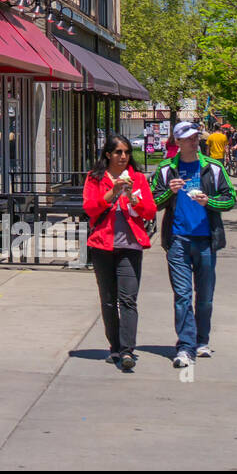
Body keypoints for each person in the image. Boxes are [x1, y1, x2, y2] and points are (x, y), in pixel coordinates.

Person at [151, 120, 237, 368]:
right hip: (177, 240)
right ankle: (185, 346)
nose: (194, 140)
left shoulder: (213, 167)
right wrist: (170, 192)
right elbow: (153, 202)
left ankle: (202, 340)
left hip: (206, 240)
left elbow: (229, 198)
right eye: (188, 138)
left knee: (206, 297)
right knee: (182, 295)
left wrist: (209, 201)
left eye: (195, 137)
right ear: (177, 142)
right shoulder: (167, 169)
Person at [83, 135, 156, 372]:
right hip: (102, 245)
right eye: (118, 152)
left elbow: (150, 211)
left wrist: (133, 198)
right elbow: (90, 208)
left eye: (126, 152)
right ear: (108, 155)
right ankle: (114, 346)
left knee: (128, 299)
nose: (123, 156)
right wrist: (112, 192)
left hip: (130, 247)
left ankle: (127, 351)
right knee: (107, 299)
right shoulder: (95, 179)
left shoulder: (137, 179)